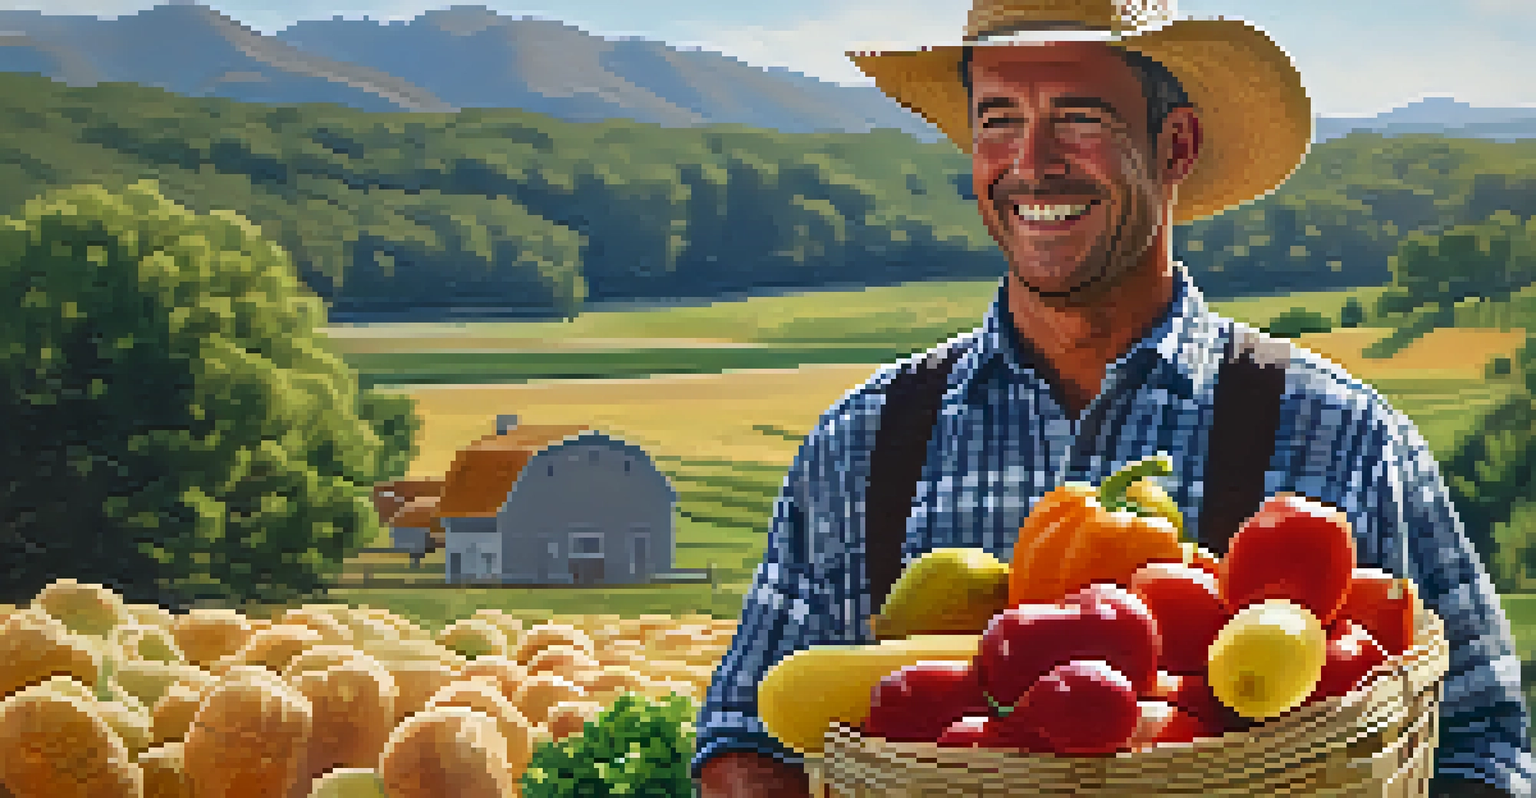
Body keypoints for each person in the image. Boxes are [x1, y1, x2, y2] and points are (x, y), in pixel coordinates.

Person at [692, 1, 1534, 796]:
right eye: (999, 121)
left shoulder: (1343, 434)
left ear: (1176, 147)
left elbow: (1482, 738)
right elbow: (743, 734)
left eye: (1079, 117)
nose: (1031, 162)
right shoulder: (862, 444)